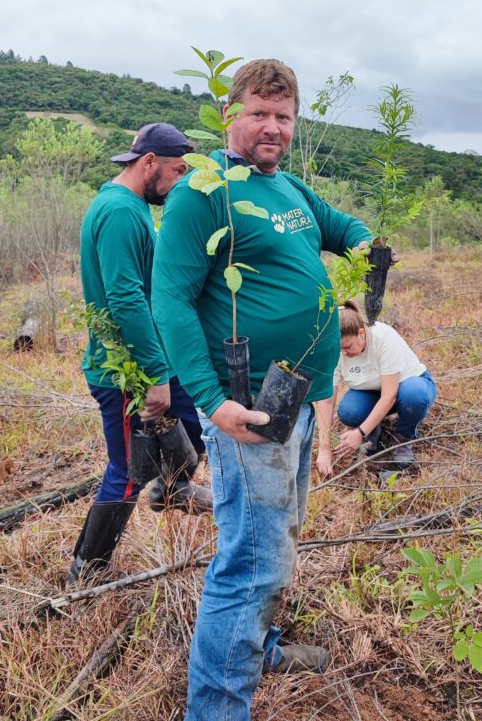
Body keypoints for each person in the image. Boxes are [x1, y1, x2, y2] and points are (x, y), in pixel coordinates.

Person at [152, 60, 371, 721]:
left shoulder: (289, 188)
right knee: (250, 560)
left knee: (277, 537)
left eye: (283, 116)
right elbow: (171, 300)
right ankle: (217, 709)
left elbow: (341, 228)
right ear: (230, 115)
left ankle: (262, 644)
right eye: (259, 113)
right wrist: (212, 402)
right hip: (251, 405)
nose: (272, 127)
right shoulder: (204, 193)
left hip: (302, 397)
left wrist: (365, 247)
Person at [68, 123, 212, 585]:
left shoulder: (126, 206)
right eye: (176, 172)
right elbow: (124, 296)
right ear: (148, 162)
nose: (177, 184)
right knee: (127, 472)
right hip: (126, 374)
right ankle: (84, 573)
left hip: (153, 360)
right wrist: (152, 374)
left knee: (193, 423)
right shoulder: (120, 212)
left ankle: (174, 488)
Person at [316, 301, 436, 476]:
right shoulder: (336, 351)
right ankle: (373, 433)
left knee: (414, 397)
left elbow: (389, 395)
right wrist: (324, 448)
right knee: (349, 411)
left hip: (406, 387)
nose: (344, 353)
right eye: (339, 348)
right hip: (371, 392)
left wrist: (359, 432)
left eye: (348, 347)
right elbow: (326, 400)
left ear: (361, 333)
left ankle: (403, 438)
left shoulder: (383, 338)